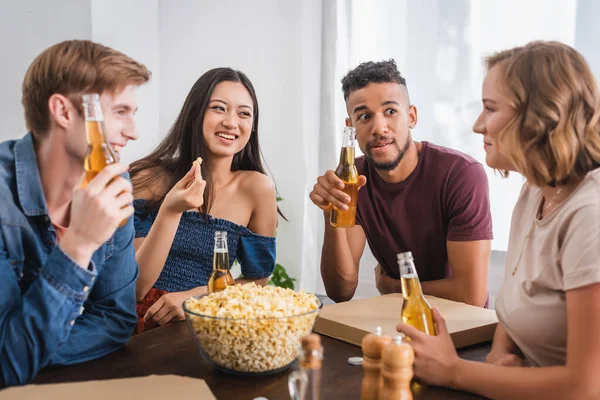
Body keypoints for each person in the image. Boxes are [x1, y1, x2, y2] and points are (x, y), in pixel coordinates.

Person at [397, 41, 600, 399]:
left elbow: (585, 386)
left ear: (541, 115)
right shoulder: (536, 191)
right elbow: (518, 295)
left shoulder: (590, 216)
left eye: (490, 108)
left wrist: (455, 371)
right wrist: (502, 352)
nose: (478, 125)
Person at [0, 40, 150, 387]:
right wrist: (78, 245)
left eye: (133, 113)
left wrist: (28, 346)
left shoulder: (112, 183)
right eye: (119, 112)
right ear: (64, 112)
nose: (133, 132)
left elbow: (115, 319)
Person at [309, 60, 492, 306]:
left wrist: (394, 287)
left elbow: (471, 295)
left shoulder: (461, 174)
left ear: (412, 116)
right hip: (395, 322)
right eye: (364, 116)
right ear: (351, 127)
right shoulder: (355, 180)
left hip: (459, 327)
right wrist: (332, 214)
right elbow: (340, 291)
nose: (378, 127)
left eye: (390, 111)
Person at [130, 68, 279, 333]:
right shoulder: (148, 178)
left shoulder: (257, 188)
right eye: (219, 108)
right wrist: (171, 210)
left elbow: (258, 279)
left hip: (204, 325)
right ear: (195, 113)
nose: (232, 123)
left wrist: (198, 299)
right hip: (139, 327)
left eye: (244, 113)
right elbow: (136, 287)